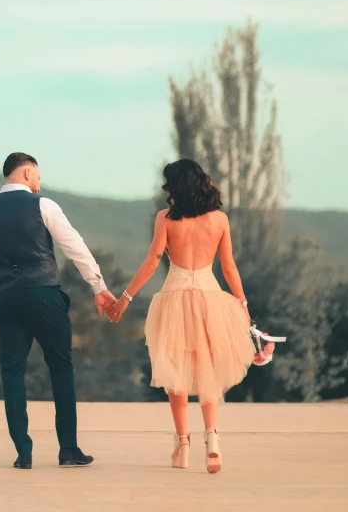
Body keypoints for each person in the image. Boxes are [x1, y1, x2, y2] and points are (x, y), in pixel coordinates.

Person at [0, 152, 115, 469]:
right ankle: (68, 449)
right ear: (28, 173)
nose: (39, 183)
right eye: (38, 177)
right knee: (61, 367)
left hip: (6, 300)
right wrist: (98, 287)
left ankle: (23, 453)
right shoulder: (44, 205)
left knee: (12, 373)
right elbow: (75, 247)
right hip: (44, 295)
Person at [107, 159, 254, 473]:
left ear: (174, 186)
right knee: (207, 368)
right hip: (211, 298)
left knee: (174, 367)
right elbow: (229, 268)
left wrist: (125, 298)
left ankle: (182, 442)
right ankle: (212, 438)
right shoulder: (220, 220)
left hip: (174, 298)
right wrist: (242, 305)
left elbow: (152, 262)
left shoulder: (165, 218)